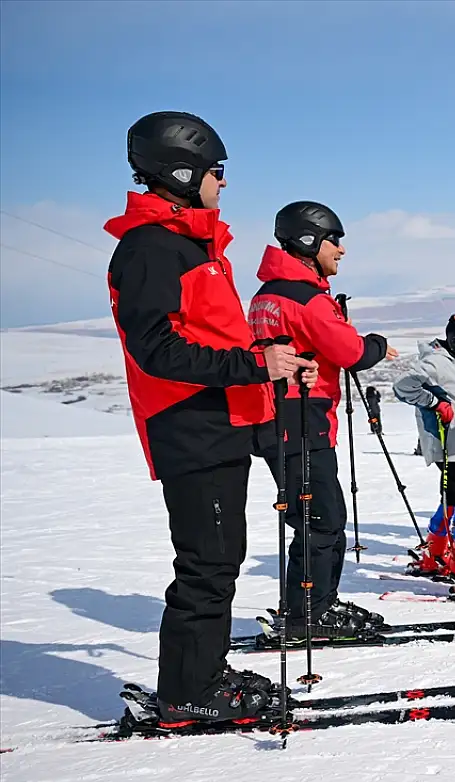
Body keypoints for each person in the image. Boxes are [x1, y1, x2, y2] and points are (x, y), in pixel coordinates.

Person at [105, 111, 318, 725]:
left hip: (216, 420)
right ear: (182, 171)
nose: (222, 183)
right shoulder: (152, 248)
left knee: (220, 555)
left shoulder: (191, 245)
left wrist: (272, 366)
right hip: (189, 423)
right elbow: (157, 348)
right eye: (215, 171)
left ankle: (200, 674)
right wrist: (256, 365)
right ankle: (190, 693)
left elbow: (211, 338)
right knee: (207, 562)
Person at [247, 201, 396, 637]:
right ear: (310, 241)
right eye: (335, 239)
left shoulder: (268, 294)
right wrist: (374, 343)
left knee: (317, 516)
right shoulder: (306, 298)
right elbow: (349, 352)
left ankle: (315, 606)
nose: (341, 250)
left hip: (281, 414)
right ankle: (307, 614)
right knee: (322, 519)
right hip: (301, 414)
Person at [393, 311, 455, 579]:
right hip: (450, 443)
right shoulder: (437, 360)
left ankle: (435, 553)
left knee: (453, 499)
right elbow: (403, 386)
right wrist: (434, 403)